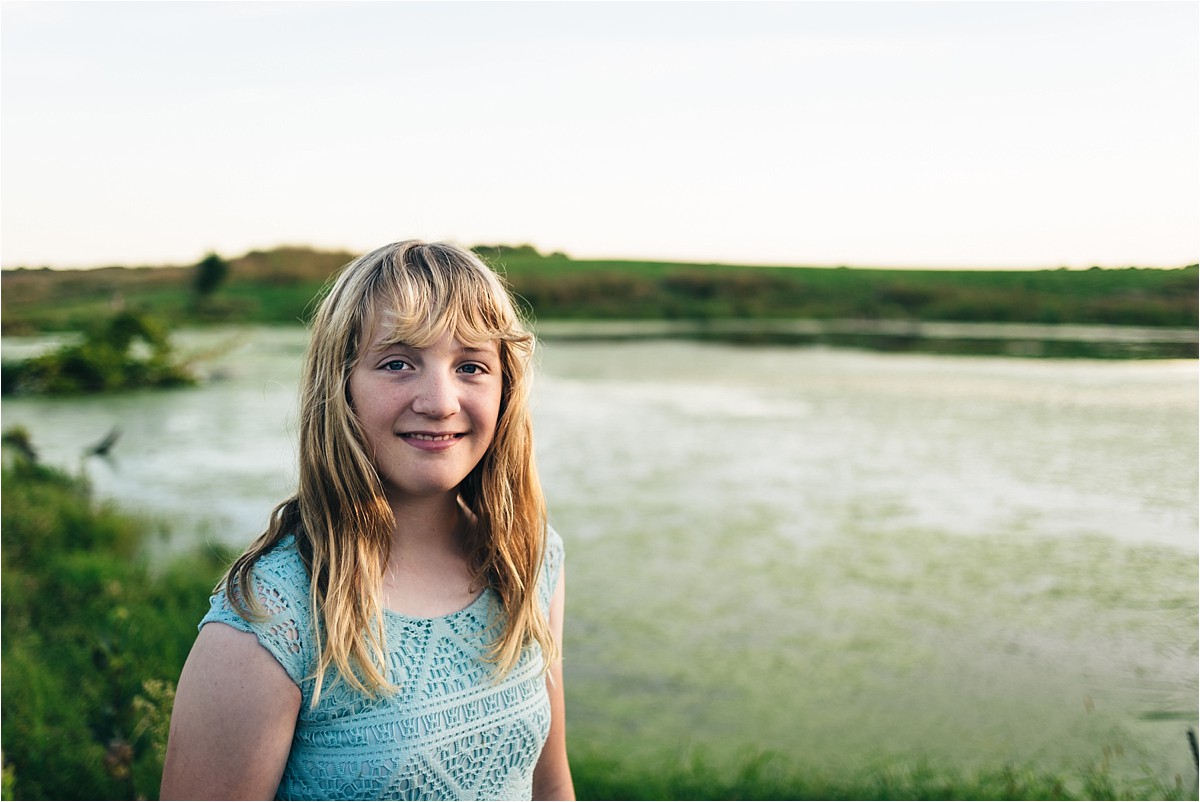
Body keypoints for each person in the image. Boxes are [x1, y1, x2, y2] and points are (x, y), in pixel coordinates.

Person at [160, 240, 574, 801]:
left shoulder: (529, 557)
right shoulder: (268, 621)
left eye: (471, 366)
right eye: (398, 363)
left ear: (506, 390)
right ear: (341, 386)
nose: (440, 400)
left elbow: (550, 784)